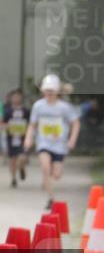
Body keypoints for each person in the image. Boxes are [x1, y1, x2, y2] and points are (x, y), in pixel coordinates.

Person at [24, 74, 81, 210]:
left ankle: (48, 177)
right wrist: (28, 138)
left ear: (57, 92)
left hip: (60, 145)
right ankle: (51, 198)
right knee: (45, 166)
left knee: (56, 175)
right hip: (43, 142)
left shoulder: (64, 107)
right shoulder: (38, 106)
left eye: (51, 91)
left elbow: (76, 123)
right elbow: (32, 124)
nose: (49, 94)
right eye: (46, 91)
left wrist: (72, 139)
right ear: (43, 91)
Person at [3, 88, 30, 187]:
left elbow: (30, 124)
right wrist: (8, 127)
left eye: (18, 97)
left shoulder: (26, 111)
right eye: (14, 97)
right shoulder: (7, 111)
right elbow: (3, 123)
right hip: (11, 138)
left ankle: (21, 167)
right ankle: (13, 178)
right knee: (12, 159)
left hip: (23, 138)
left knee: (22, 157)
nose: (16, 98)